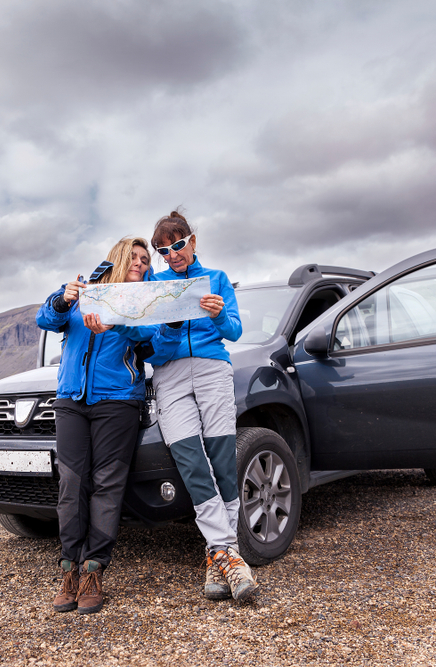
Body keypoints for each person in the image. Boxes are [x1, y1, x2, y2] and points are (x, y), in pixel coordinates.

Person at [143, 210, 259, 601]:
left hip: (212, 369)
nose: (171, 254)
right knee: (191, 460)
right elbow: (154, 346)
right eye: (163, 249)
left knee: (223, 457)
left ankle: (218, 557)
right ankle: (230, 553)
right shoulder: (155, 284)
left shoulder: (218, 279)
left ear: (192, 241)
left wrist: (218, 313)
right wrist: (172, 326)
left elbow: (234, 331)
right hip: (170, 373)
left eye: (177, 244)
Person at [35, 237, 154, 614]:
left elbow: (150, 341)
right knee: (71, 482)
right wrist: (63, 299)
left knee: (107, 485)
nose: (140, 263)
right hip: (71, 398)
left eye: (145, 259)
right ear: (118, 257)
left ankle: (92, 570)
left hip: (118, 400)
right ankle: (68, 568)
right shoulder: (83, 286)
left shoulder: (144, 301)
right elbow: (46, 319)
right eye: (134, 257)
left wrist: (119, 322)